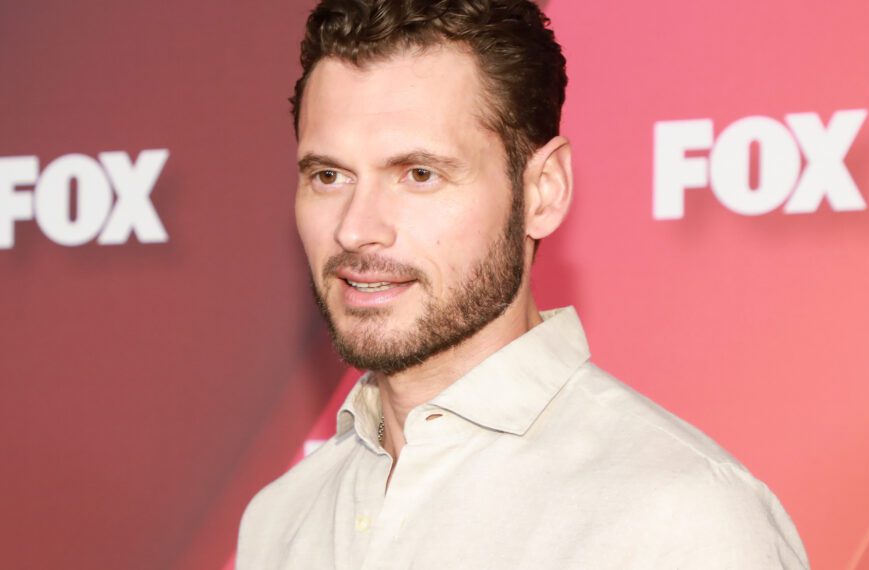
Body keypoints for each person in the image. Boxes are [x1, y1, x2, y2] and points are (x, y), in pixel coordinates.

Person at [237, 0, 809, 568]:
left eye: (419, 174)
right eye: (328, 176)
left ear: (544, 192)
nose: (356, 229)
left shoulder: (682, 520)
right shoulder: (280, 520)